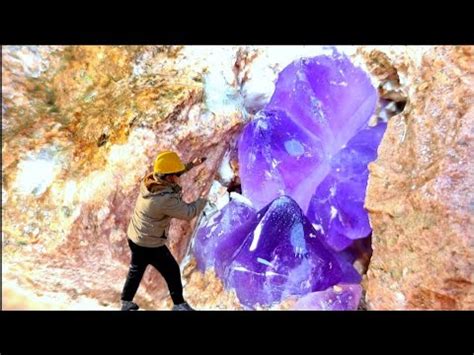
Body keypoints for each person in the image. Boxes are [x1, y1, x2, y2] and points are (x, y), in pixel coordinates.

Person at [120, 151, 207, 311]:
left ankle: (126, 302)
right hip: (149, 243)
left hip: (135, 235)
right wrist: (204, 199)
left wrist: (192, 165)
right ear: (168, 178)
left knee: (136, 268)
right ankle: (179, 305)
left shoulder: (151, 180)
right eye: (176, 175)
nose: (178, 177)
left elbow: (171, 172)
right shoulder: (163, 200)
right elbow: (188, 212)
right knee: (172, 270)